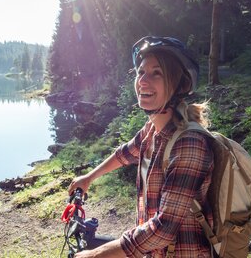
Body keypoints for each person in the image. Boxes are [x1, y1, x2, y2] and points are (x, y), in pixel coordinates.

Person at [68, 36, 214, 258]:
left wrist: (97, 254)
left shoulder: (189, 144)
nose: (143, 81)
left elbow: (164, 229)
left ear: (178, 84)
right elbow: (124, 154)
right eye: (141, 72)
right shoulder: (152, 129)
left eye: (157, 73)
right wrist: (89, 177)